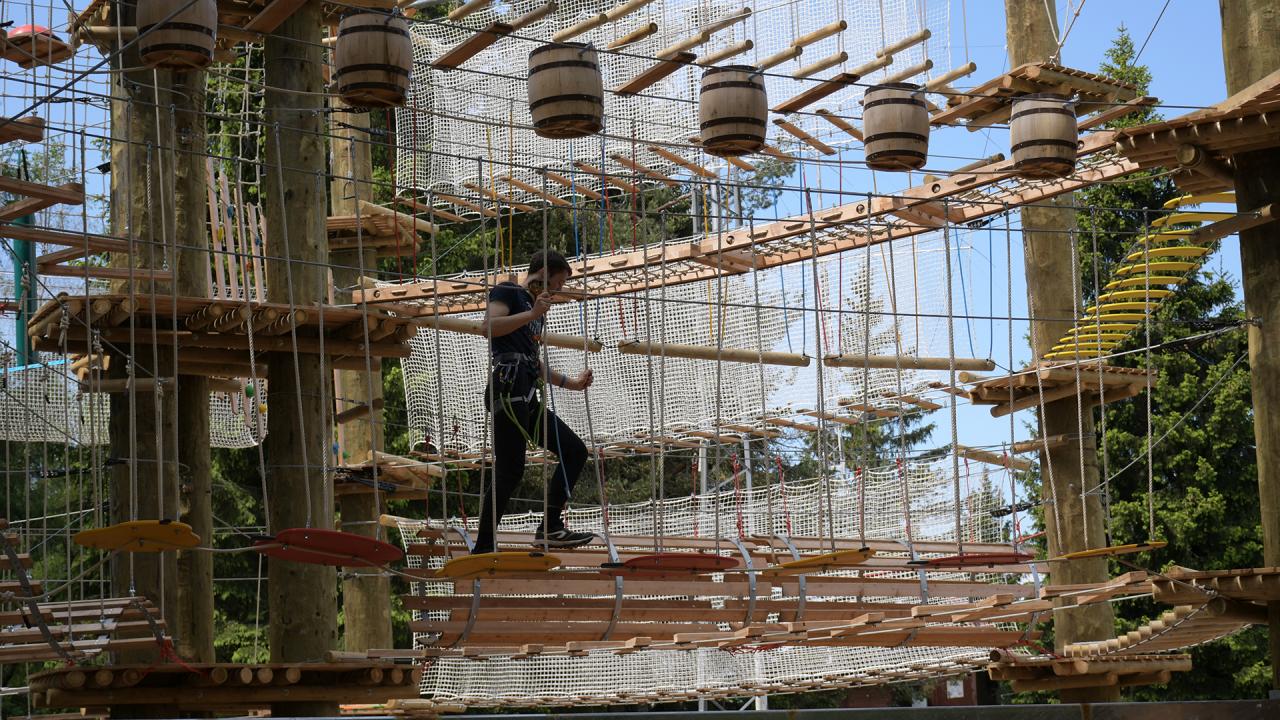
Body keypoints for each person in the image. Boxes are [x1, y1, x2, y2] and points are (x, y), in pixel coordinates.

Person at [471, 249, 596, 554]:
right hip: (508, 388)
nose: (559, 290)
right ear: (543, 272)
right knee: (510, 470)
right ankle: (484, 546)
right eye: (558, 282)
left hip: (526, 393)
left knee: (574, 450)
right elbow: (488, 327)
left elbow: (533, 362)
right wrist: (531, 315)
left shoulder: (535, 307)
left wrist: (572, 383)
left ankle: (550, 526)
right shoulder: (509, 291)